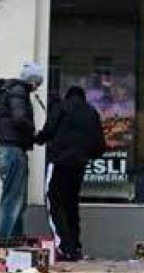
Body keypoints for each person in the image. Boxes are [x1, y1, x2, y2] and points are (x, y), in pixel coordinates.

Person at [35, 85, 105, 261]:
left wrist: (37, 138)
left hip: (59, 163)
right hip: (78, 166)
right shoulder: (91, 112)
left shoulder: (61, 108)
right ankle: (75, 246)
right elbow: (99, 145)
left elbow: (48, 131)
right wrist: (86, 155)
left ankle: (64, 246)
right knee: (71, 205)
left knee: (54, 201)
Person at [0, 62, 44, 240]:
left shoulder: (13, 92)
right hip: (13, 151)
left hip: (9, 150)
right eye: (38, 83)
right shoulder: (18, 92)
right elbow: (20, 119)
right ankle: (6, 242)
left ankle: (14, 239)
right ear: (32, 80)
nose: (38, 87)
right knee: (14, 200)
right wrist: (33, 133)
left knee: (16, 199)